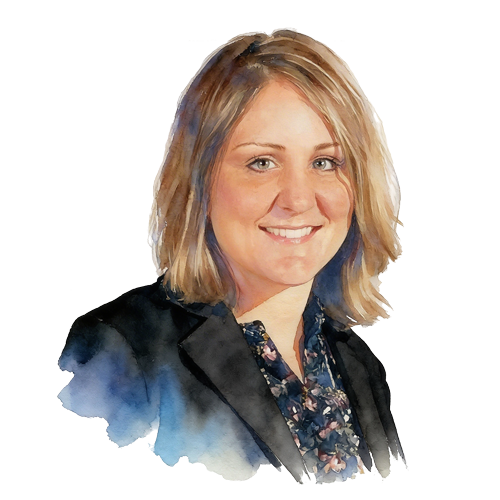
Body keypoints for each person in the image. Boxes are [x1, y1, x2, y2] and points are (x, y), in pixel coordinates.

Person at [58, 29, 406, 482]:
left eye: (325, 162)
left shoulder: (358, 364)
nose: (299, 199)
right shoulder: (120, 352)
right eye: (262, 162)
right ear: (199, 182)